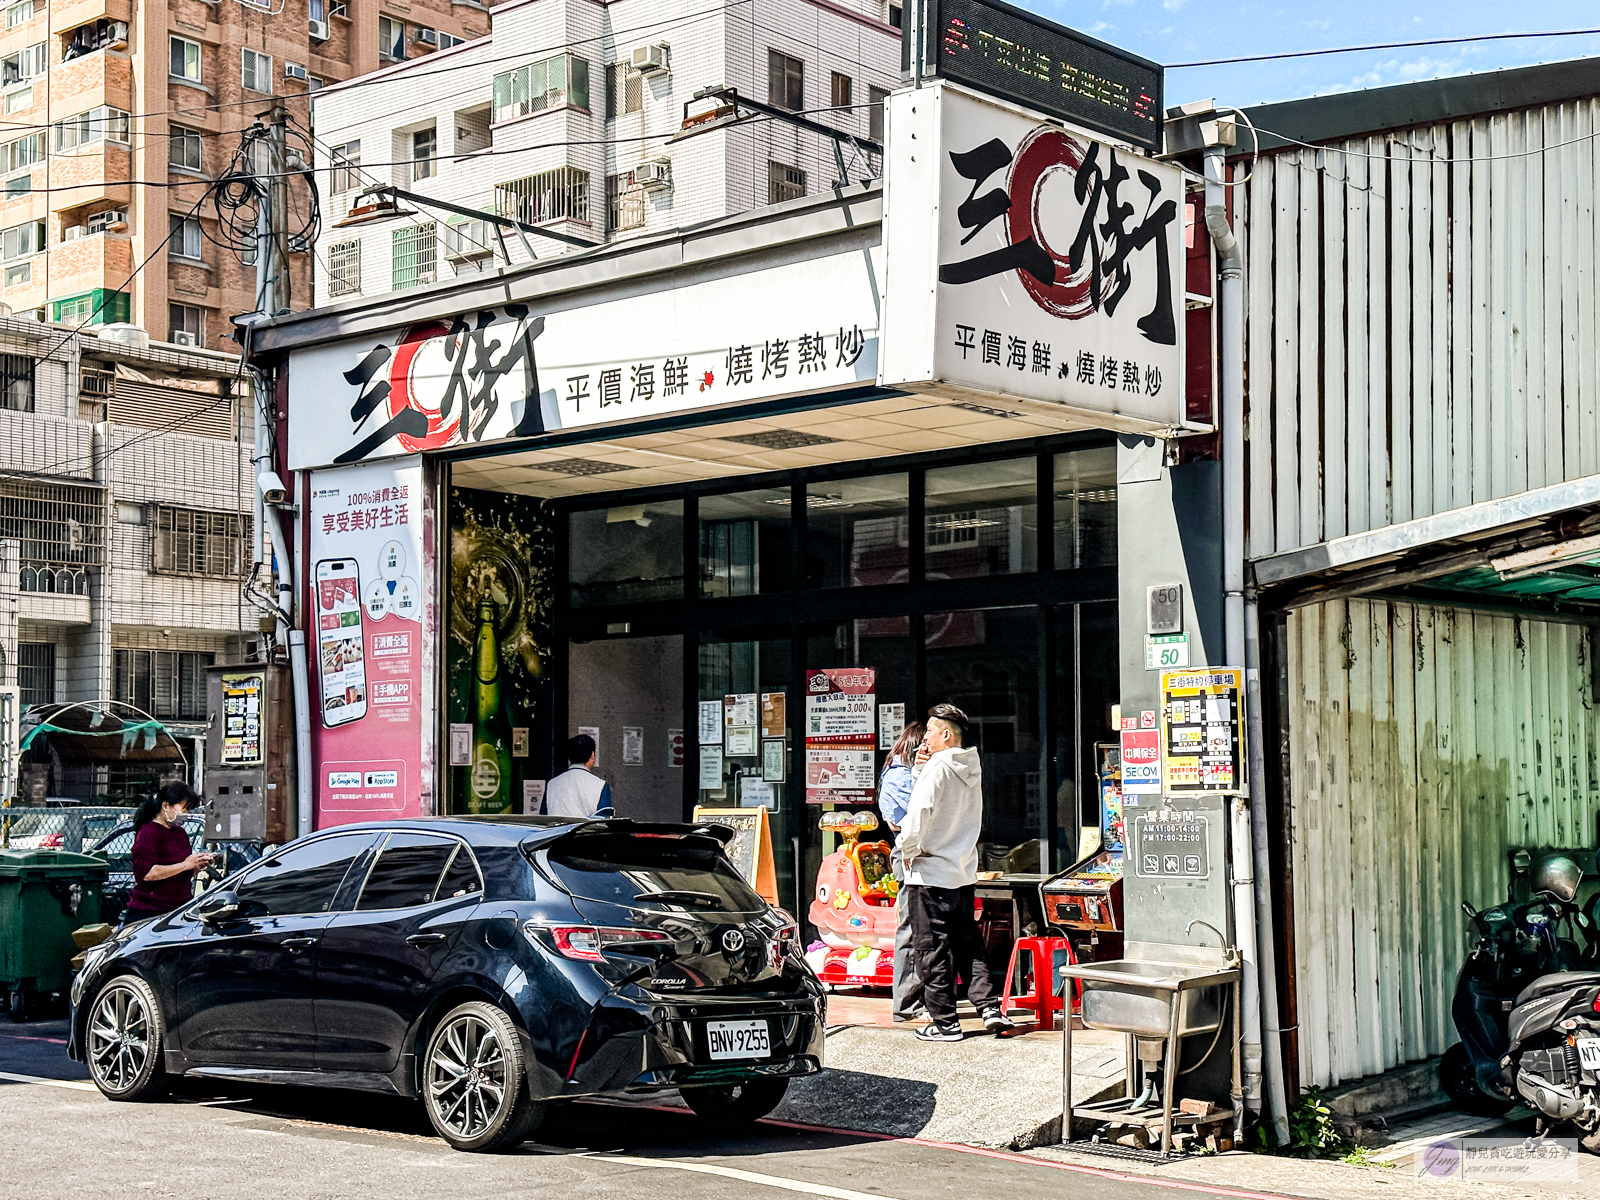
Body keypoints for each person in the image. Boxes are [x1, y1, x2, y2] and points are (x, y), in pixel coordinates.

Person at [897, 703, 1012, 1041]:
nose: (925, 738)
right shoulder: (969, 767)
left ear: (946, 734)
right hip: (961, 871)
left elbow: (918, 815)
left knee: (930, 948)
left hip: (930, 871)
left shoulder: (938, 767)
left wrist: (906, 849)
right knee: (968, 944)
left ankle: (945, 1021)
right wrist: (920, 771)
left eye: (930, 731)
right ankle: (988, 1006)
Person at [879, 721, 925, 1023]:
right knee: (909, 928)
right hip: (908, 853)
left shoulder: (903, 773)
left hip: (918, 854)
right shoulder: (900, 776)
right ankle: (906, 1004)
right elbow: (909, 818)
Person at [124, 782, 214, 923]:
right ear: (166, 806)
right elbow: (147, 874)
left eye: (188, 810)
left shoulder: (180, 834)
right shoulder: (149, 833)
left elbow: (181, 872)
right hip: (150, 910)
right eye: (183, 808)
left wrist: (197, 865)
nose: (186, 814)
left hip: (179, 907)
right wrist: (186, 865)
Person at [544, 733, 613, 818]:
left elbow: (543, 818)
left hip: (557, 831)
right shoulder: (601, 785)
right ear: (592, 755)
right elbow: (604, 821)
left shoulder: (552, 784)